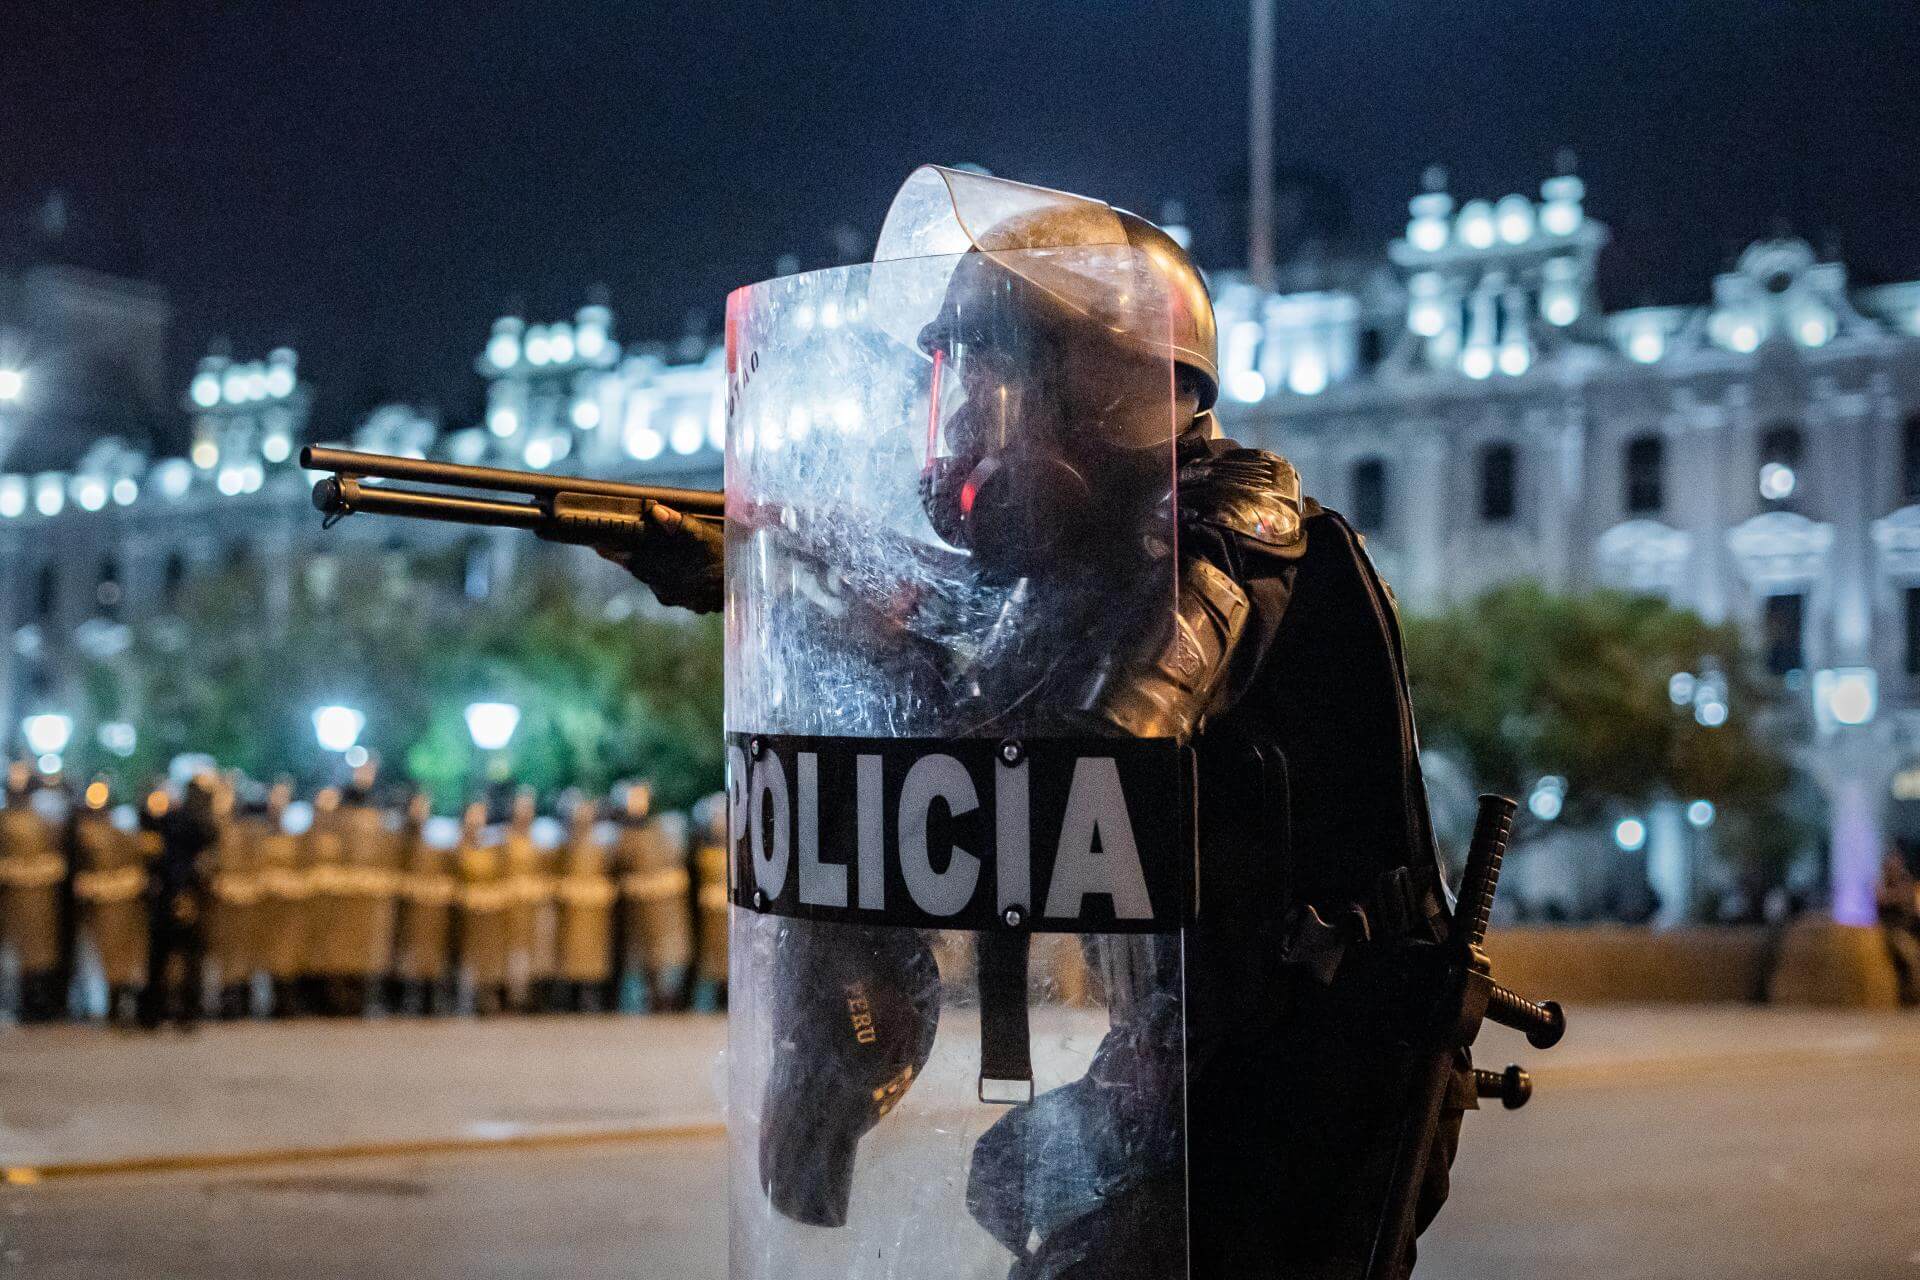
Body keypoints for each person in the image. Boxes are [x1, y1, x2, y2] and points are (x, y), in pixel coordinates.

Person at [600, 166, 1464, 1279]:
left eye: (996, 378)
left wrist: (853, 610)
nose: (966, 420)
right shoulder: (1092, 568)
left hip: (1297, 1084)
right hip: (1182, 1056)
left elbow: (1068, 746)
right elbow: (979, 665)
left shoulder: (1233, 528)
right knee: (1006, 1178)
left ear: (1104, 387)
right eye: (955, 381)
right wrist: (775, 576)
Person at [138, 772, 222, 1030]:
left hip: (169, 892)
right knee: (188, 956)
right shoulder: (202, 825)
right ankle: (185, 1011)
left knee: (162, 956)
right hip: (186, 894)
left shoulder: (173, 819)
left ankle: (154, 1011)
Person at [1877, 850, 1920, 1006]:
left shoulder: (1906, 882)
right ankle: (1910, 995)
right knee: (1909, 955)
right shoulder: (1881, 885)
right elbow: (1884, 899)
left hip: (1911, 929)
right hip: (1894, 931)